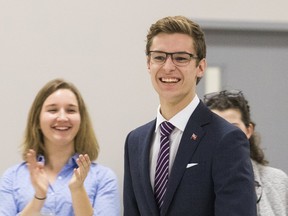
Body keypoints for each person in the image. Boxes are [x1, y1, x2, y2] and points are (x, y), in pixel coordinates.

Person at [123, 15, 257, 216]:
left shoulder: (226, 139)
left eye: (181, 58)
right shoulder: (135, 141)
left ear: (200, 67)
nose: (168, 67)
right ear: (148, 63)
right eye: (159, 57)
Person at [0, 78, 120, 215]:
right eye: (52, 110)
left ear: (81, 120)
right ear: (37, 120)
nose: (62, 117)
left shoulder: (103, 178)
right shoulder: (12, 177)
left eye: (71, 110)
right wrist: (38, 198)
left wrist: (77, 190)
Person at [204, 89, 288, 216]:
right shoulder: (189, 180)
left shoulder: (277, 180)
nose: (224, 136)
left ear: (248, 130)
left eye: (233, 128)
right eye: (216, 129)